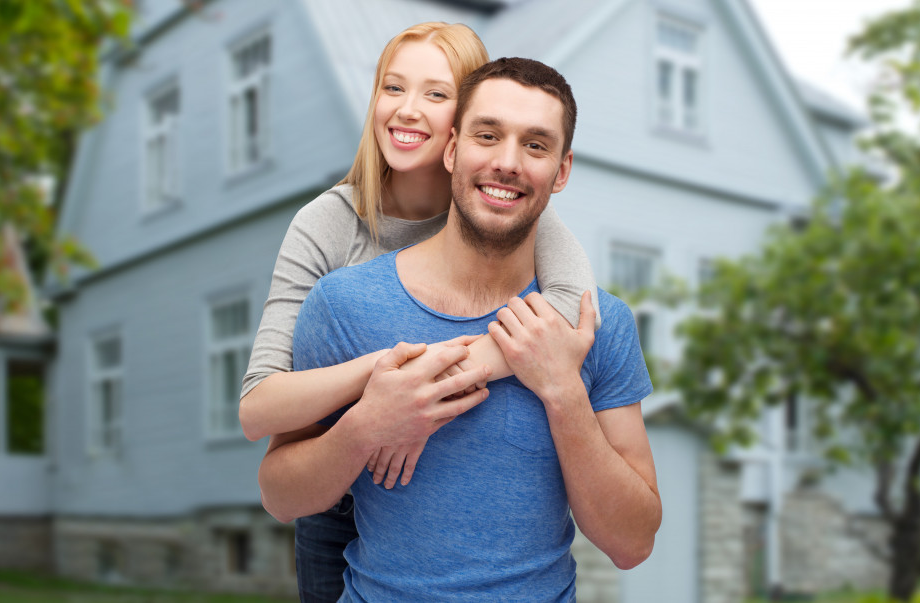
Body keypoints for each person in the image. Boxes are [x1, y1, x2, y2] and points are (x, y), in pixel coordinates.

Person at [258, 57, 662, 601]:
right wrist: (366, 426)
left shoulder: (597, 324)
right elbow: (280, 497)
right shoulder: (342, 304)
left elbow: (632, 543)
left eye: (536, 145)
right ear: (451, 150)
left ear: (562, 171)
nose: (508, 162)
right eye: (487, 136)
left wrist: (563, 390)